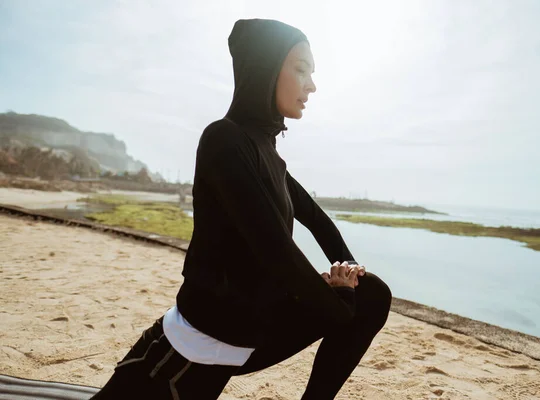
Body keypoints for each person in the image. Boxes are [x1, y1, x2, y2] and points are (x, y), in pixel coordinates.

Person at [91, 18, 392, 400]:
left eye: (312, 73)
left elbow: (316, 219)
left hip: (253, 330)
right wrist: (341, 305)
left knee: (373, 294)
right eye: (300, 69)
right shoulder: (223, 140)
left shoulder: (270, 155)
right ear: (266, 69)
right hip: (188, 353)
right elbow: (277, 254)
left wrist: (350, 272)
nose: (311, 85)